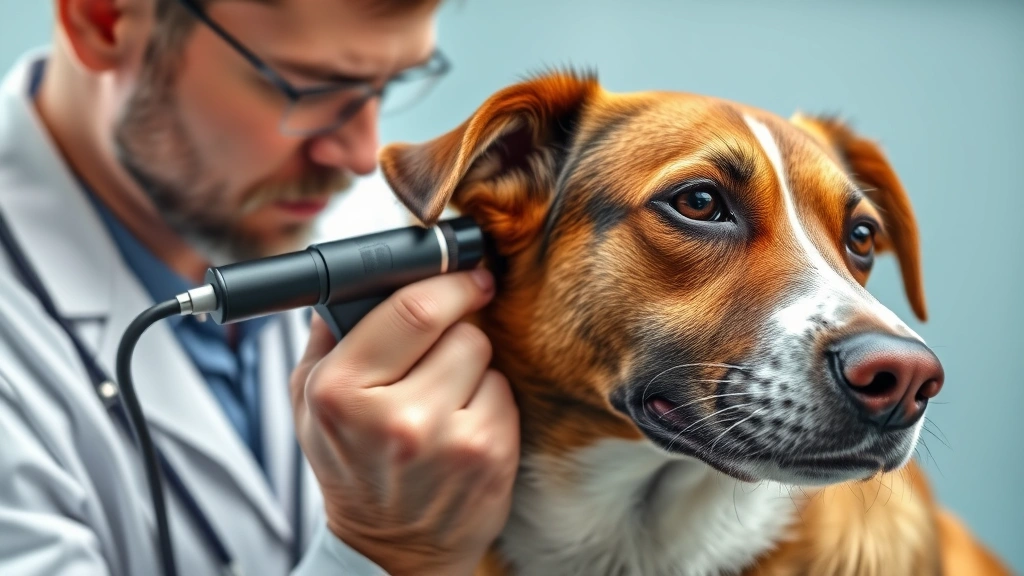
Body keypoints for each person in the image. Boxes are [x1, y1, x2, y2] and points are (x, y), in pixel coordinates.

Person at [0, 0, 521, 575]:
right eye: (312, 89)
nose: (360, 157)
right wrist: (386, 552)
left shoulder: (358, 221)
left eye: (389, 83)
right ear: (104, 22)